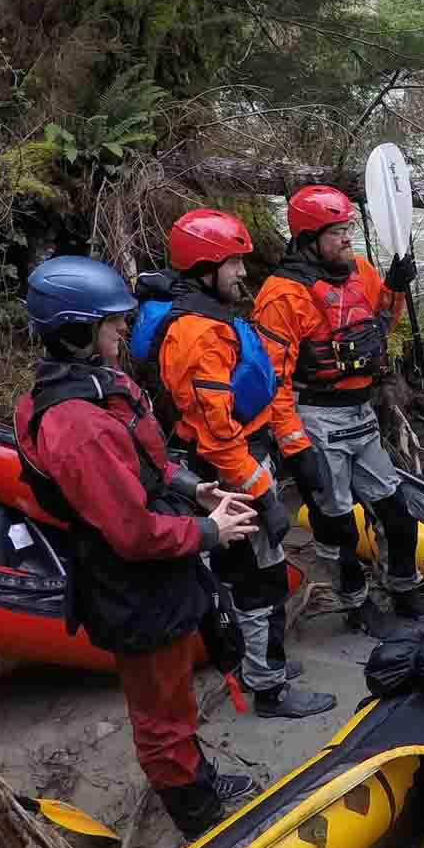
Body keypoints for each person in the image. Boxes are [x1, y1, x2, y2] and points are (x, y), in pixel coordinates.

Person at [13, 257, 262, 837]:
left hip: (152, 575)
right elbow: (131, 532)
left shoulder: (99, 391)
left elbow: (144, 463)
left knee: (174, 695)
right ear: (77, 332)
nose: (123, 331)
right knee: (160, 717)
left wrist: (191, 487)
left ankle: (195, 778)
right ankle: (199, 821)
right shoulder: (77, 425)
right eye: (111, 323)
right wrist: (209, 532)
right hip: (130, 584)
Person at [137, 209, 336, 720]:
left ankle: (257, 662)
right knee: (260, 580)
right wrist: (264, 495)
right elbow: (218, 434)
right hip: (228, 468)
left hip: (223, 459)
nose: (242, 274)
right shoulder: (200, 336)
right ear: (206, 268)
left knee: (240, 573)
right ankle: (267, 687)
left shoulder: (197, 315)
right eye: (233, 265)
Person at [254, 184, 424, 632]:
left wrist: (395, 288)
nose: (346, 239)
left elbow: (381, 325)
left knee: (397, 514)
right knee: (335, 526)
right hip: (315, 417)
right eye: (336, 232)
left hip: (362, 413)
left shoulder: (359, 271)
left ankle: (404, 588)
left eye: (348, 230)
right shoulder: (282, 295)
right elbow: (273, 382)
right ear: (308, 239)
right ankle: (356, 603)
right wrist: (295, 447)